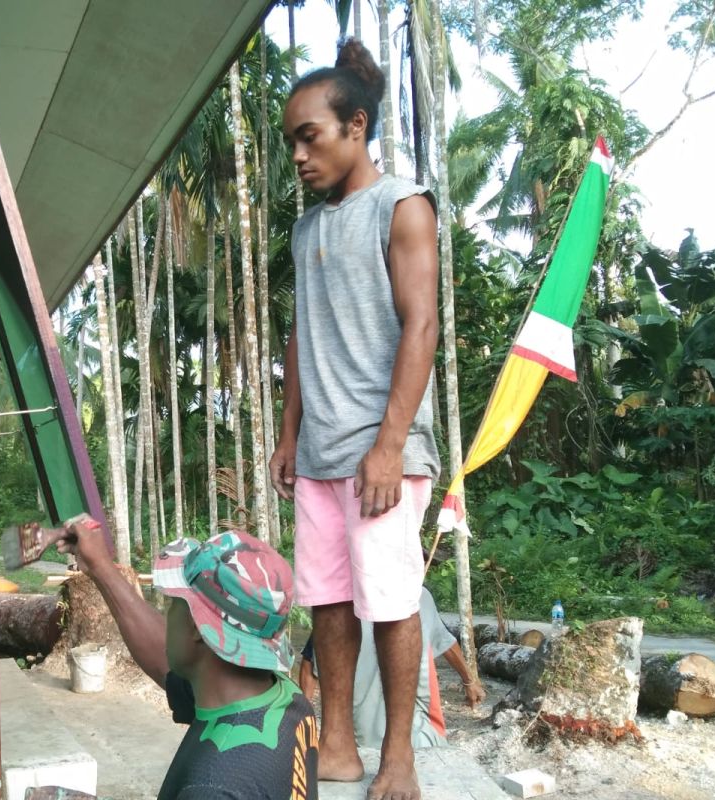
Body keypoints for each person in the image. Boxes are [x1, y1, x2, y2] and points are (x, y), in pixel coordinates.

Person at [269, 37, 441, 800]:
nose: (299, 156)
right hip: (320, 452)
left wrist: (390, 445)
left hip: (383, 454)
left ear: (357, 126)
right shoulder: (307, 230)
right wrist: (287, 434)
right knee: (330, 602)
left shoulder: (401, 206)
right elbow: (302, 336)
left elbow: (422, 326)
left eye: (311, 136)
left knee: (392, 602)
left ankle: (396, 756)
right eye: (291, 143)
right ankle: (336, 743)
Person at [56, 515, 319, 800]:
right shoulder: (287, 701)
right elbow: (163, 660)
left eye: (174, 603)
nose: (167, 618)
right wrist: (100, 565)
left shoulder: (211, 787)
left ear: (197, 626)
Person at [296, 588, 486, 751]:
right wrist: (469, 681)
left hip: (374, 733)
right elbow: (446, 642)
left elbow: (308, 666)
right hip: (404, 733)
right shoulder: (416, 595)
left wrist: (304, 722)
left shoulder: (342, 603)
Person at [353, 588, 486, 750]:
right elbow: (443, 640)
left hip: (362, 732)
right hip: (415, 730)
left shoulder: (343, 596)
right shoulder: (416, 594)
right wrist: (469, 681)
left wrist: (469, 681)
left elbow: (443, 640)